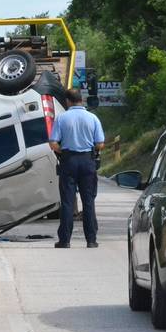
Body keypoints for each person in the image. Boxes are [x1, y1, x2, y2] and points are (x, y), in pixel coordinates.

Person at [49, 88, 105, 249]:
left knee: (67, 202)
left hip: (68, 161)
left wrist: (63, 151)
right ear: (81, 99)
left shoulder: (62, 118)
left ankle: (65, 240)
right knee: (88, 201)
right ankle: (91, 240)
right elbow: (100, 143)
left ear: (68, 101)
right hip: (88, 161)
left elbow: (53, 143)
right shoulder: (92, 118)